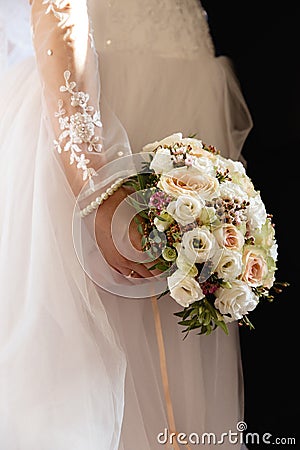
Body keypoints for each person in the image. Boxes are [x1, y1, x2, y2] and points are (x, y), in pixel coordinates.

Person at [0, 1, 252, 449]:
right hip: (96, 94)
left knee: (179, 356)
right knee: (99, 365)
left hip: (183, 90)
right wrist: (95, 181)